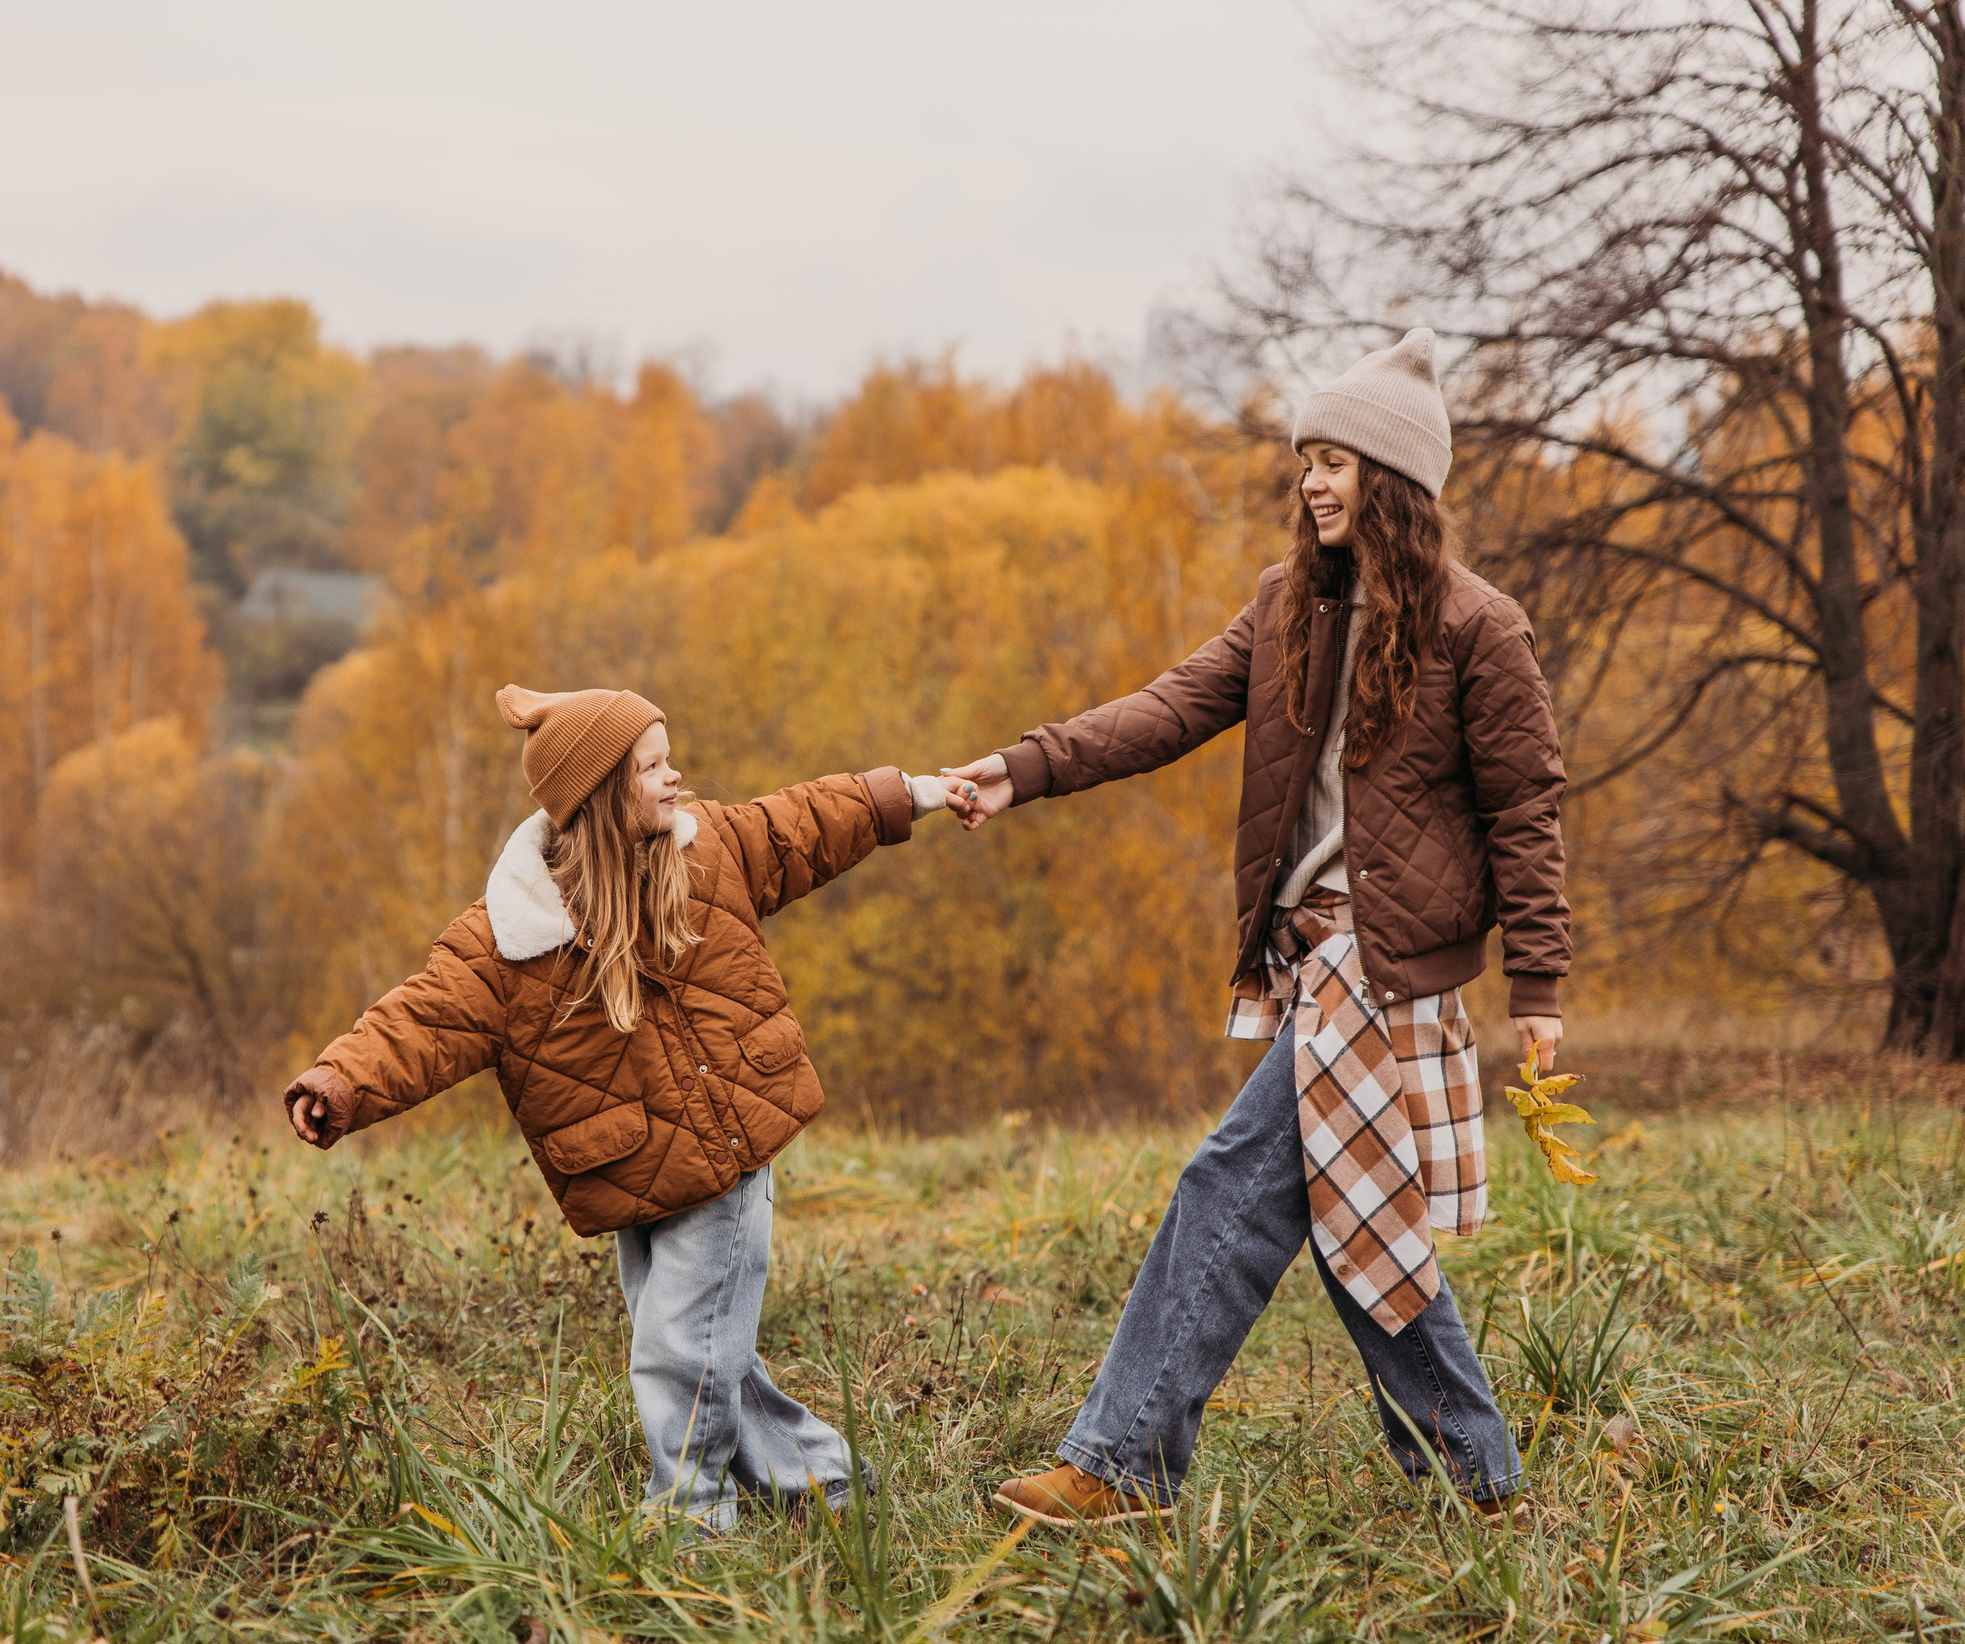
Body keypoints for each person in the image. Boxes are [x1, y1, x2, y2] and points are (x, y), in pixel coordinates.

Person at [945, 329, 1568, 1525]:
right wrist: (1023, 769)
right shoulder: (1289, 606)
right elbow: (1169, 707)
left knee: (1228, 1183)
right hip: (1306, 961)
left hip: (1380, 974)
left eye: (1335, 461)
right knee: (1355, 1213)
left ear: (1393, 481)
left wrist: (1538, 986)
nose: (1312, 482)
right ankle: (1475, 1479)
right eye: (1304, 461)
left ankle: (1121, 1463)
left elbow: (1525, 810)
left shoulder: (1479, 628)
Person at [282, 683, 959, 1532]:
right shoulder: (509, 934)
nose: (675, 777)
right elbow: (423, 1016)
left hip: (726, 1145)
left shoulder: (706, 850)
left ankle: (691, 1519)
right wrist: (340, 1081)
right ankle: (824, 1481)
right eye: (651, 766)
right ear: (601, 796)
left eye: (668, 757)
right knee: (707, 1347)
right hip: (626, 1165)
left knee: (681, 1349)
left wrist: (916, 793)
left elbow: (806, 821)